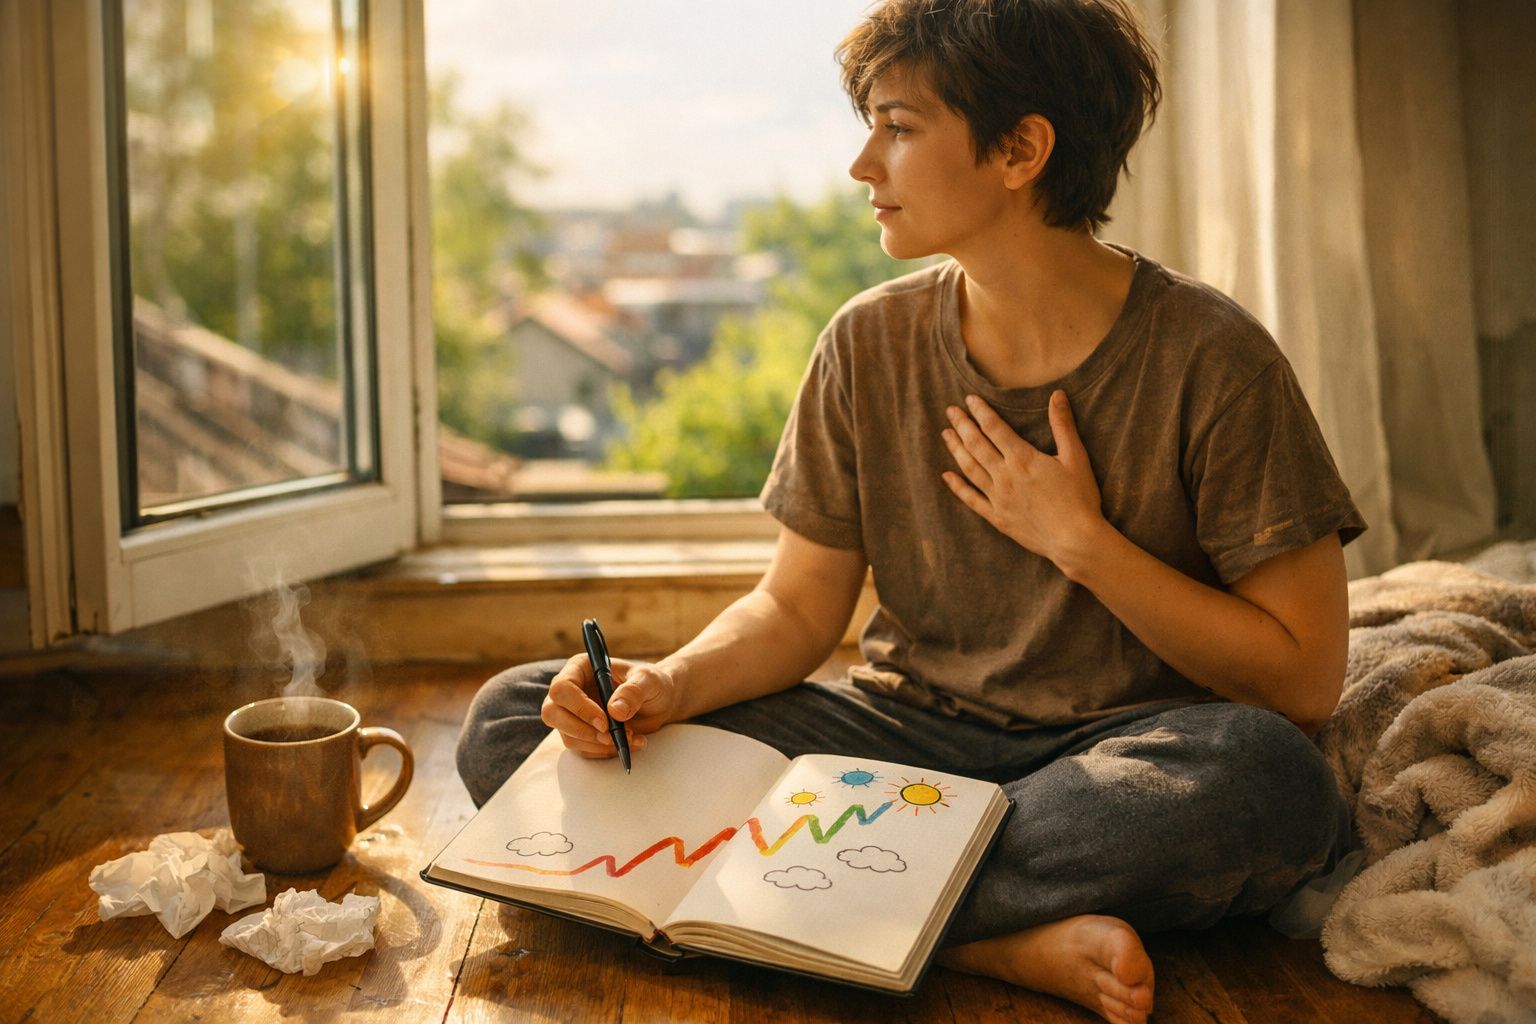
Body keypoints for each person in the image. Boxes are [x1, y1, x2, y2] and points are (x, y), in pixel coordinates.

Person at [456, 2, 1367, 1021]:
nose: (861, 164)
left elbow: (1303, 681)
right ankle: (987, 943)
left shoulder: (1215, 358)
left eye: (896, 126)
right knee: (514, 721)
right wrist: (670, 681)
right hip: (895, 745)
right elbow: (798, 611)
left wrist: (1083, 542)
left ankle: (824, 909)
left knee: (1269, 781)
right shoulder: (867, 342)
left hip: (1109, 761)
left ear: (1021, 150)